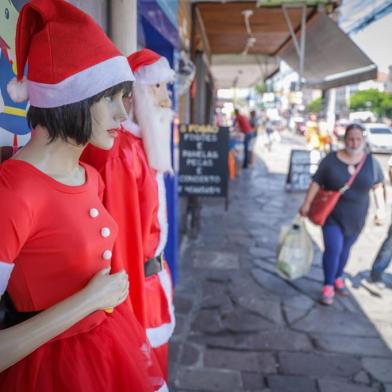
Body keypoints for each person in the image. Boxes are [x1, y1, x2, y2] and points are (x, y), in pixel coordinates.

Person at [0, 1, 167, 391]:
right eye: (108, 98)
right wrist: (88, 301)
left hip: (108, 353)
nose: (122, 115)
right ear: (67, 98)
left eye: (124, 98)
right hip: (49, 372)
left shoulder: (90, 176)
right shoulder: (15, 192)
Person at [82, 49, 175, 379]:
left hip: (152, 288)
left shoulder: (139, 147)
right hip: (138, 296)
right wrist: (130, 322)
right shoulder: (121, 154)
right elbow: (120, 247)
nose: (166, 100)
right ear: (135, 94)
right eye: (158, 88)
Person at [299, 123, 384, 305]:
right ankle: (328, 284)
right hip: (332, 215)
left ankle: (338, 277)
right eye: (351, 139)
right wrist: (306, 203)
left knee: (345, 250)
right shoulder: (331, 159)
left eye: (358, 139)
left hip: (357, 217)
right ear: (344, 140)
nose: (354, 143)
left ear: (363, 140)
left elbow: (377, 186)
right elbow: (316, 183)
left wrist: (381, 210)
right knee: (333, 249)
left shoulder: (370, 162)